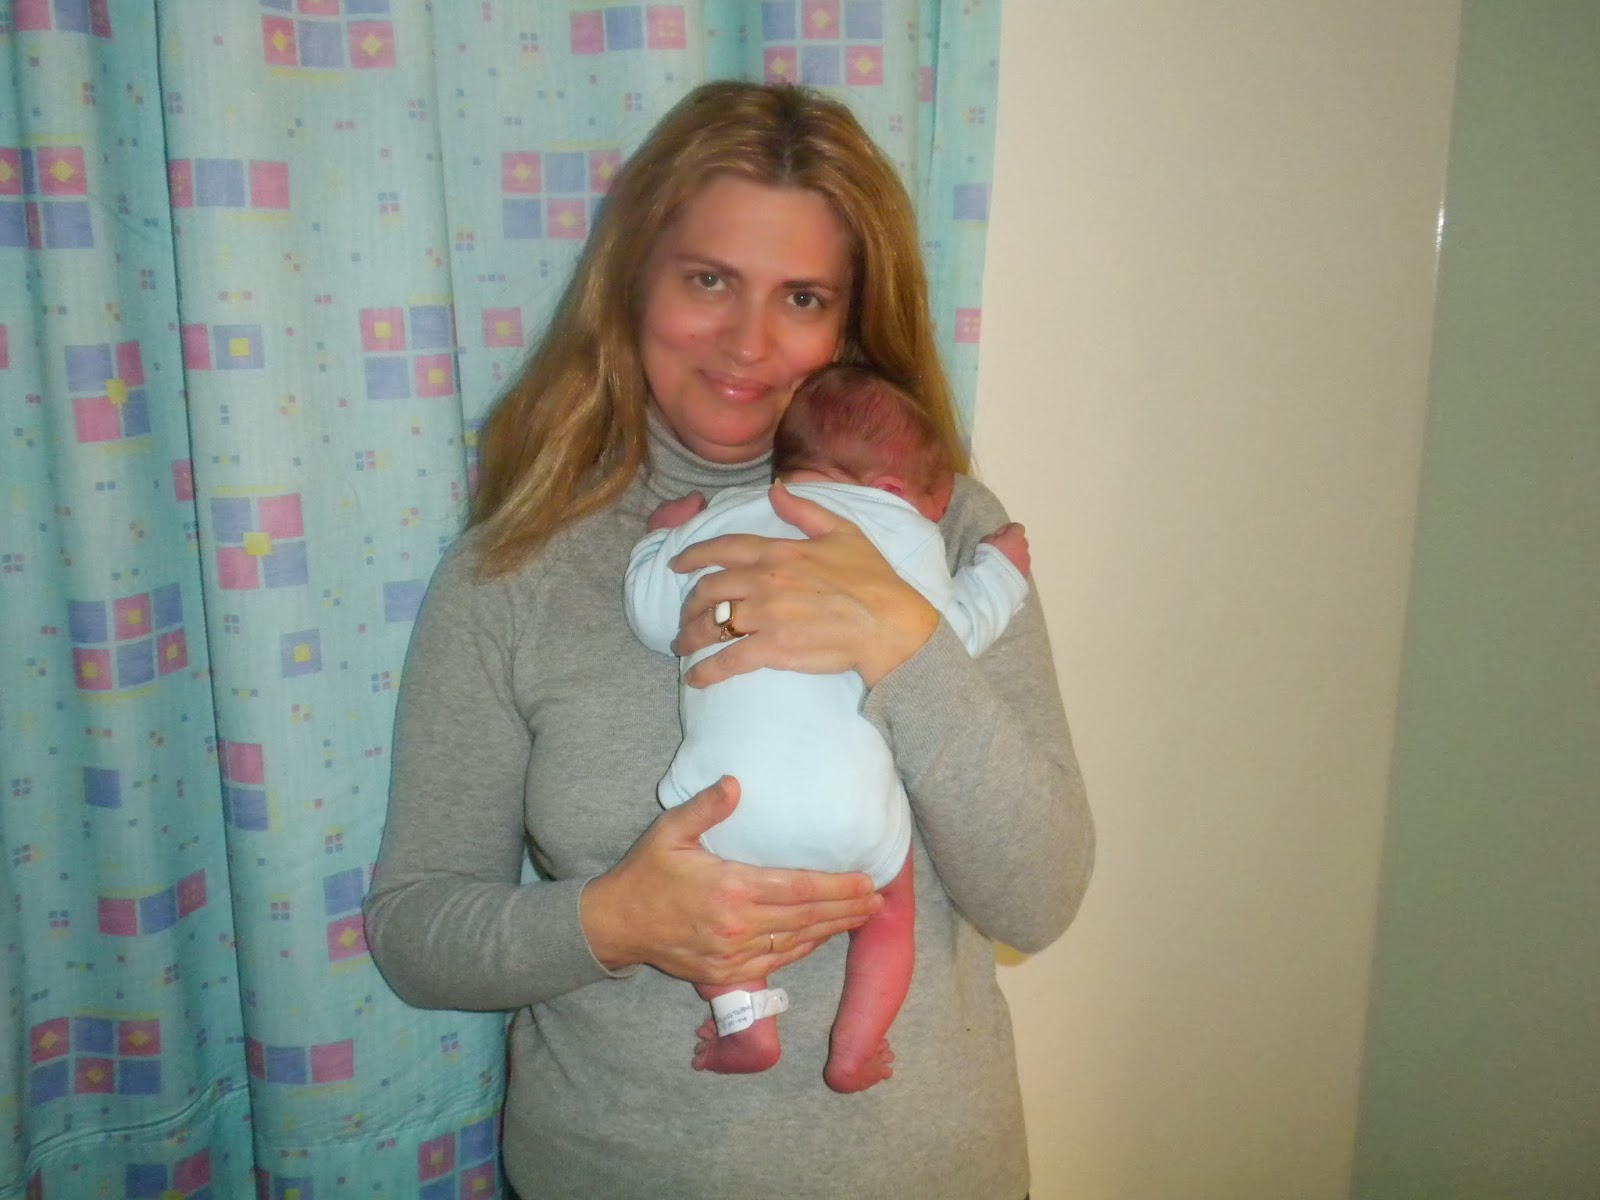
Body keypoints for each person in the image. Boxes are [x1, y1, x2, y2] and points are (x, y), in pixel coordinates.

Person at [363, 80, 1093, 1200]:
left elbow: (1038, 899)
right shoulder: (514, 572)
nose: (749, 343)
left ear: (850, 322)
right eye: (709, 279)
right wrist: (615, 922)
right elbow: (417, 931)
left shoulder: (948, 533)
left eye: (802, 297)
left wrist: (902, 643)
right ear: (631, 281)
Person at [625, 364, 1033, 1093]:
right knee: (889, 912)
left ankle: (745, 1020)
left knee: (714, 903)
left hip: (721, 807)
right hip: (851, 816)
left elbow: (656, 619)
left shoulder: (722, 516)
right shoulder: (904, 535)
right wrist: (1000, 573)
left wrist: (658, 541)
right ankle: (857, 1045)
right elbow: (955, 638)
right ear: (895, 493)